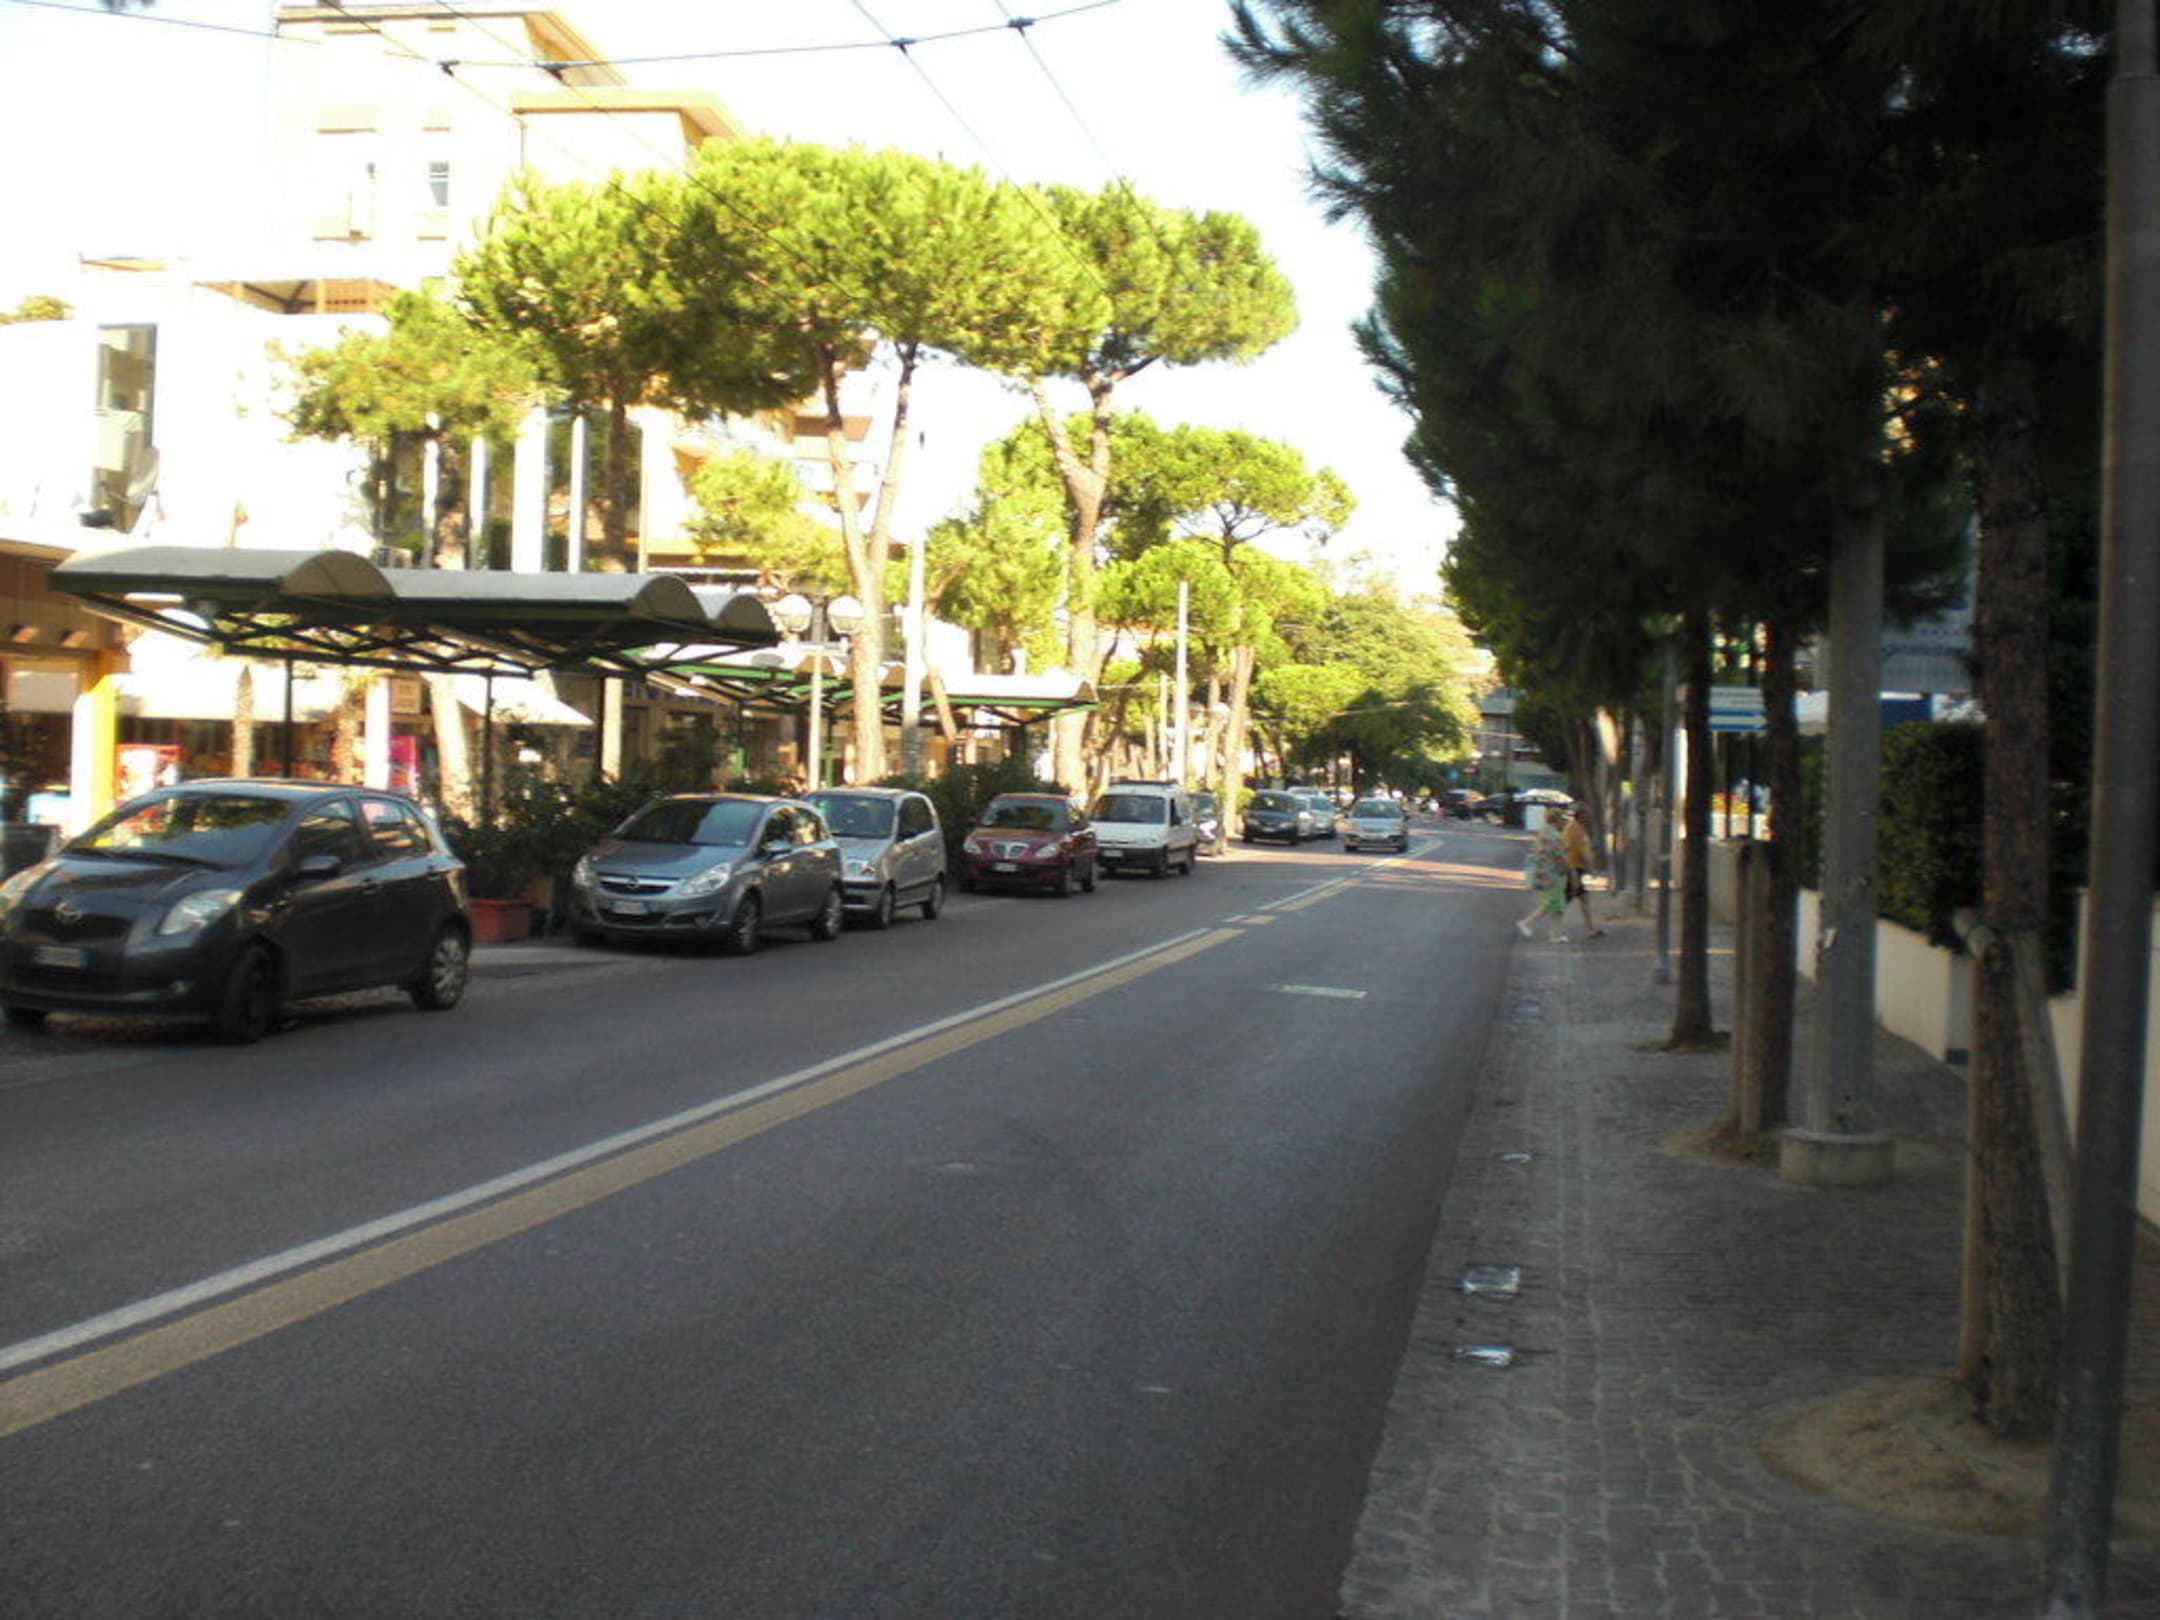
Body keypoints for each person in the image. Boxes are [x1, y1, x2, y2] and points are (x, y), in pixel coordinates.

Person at [1517, 818, 1570, 941]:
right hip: (1552, 876)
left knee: (1558, 905)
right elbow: (1558, 856)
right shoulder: (1553, 837)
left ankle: (1555, 934)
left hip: (1550, 875)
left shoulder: (1543, 836)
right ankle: (1527, 923)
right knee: (1552, 903)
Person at [1561, 802, 1606, 938]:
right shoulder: (1575, 829)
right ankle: (1533, 921)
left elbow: (1583, 848)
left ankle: (1591, 930)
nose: (1589, 817)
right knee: (1565, 900)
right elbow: (1581, 851)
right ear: (1580, 815)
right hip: (1572, 868)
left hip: (1575, 867)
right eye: (1587, 814)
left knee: (1581, 899)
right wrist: (1591, 869)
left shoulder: (1578, 828)